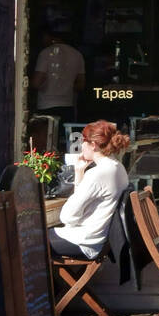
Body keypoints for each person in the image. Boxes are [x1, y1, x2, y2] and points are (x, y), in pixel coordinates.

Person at [49, 120, 129, 259]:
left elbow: (67, 217)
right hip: (99, 239)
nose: (81, 146)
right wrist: (79, 172)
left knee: (27, 241)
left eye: (83, 141)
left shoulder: (98, 173)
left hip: (85, 241)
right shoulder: (118, 167)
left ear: (93, 145)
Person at [33, 30, 86, 129]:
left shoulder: (45, 53)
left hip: (46, 105)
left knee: (46, 140)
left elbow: (36, 82)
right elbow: (81, 85)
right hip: (67, 105)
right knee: (64, 139)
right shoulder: (77, 55)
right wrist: (67, 85)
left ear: (49, 36)